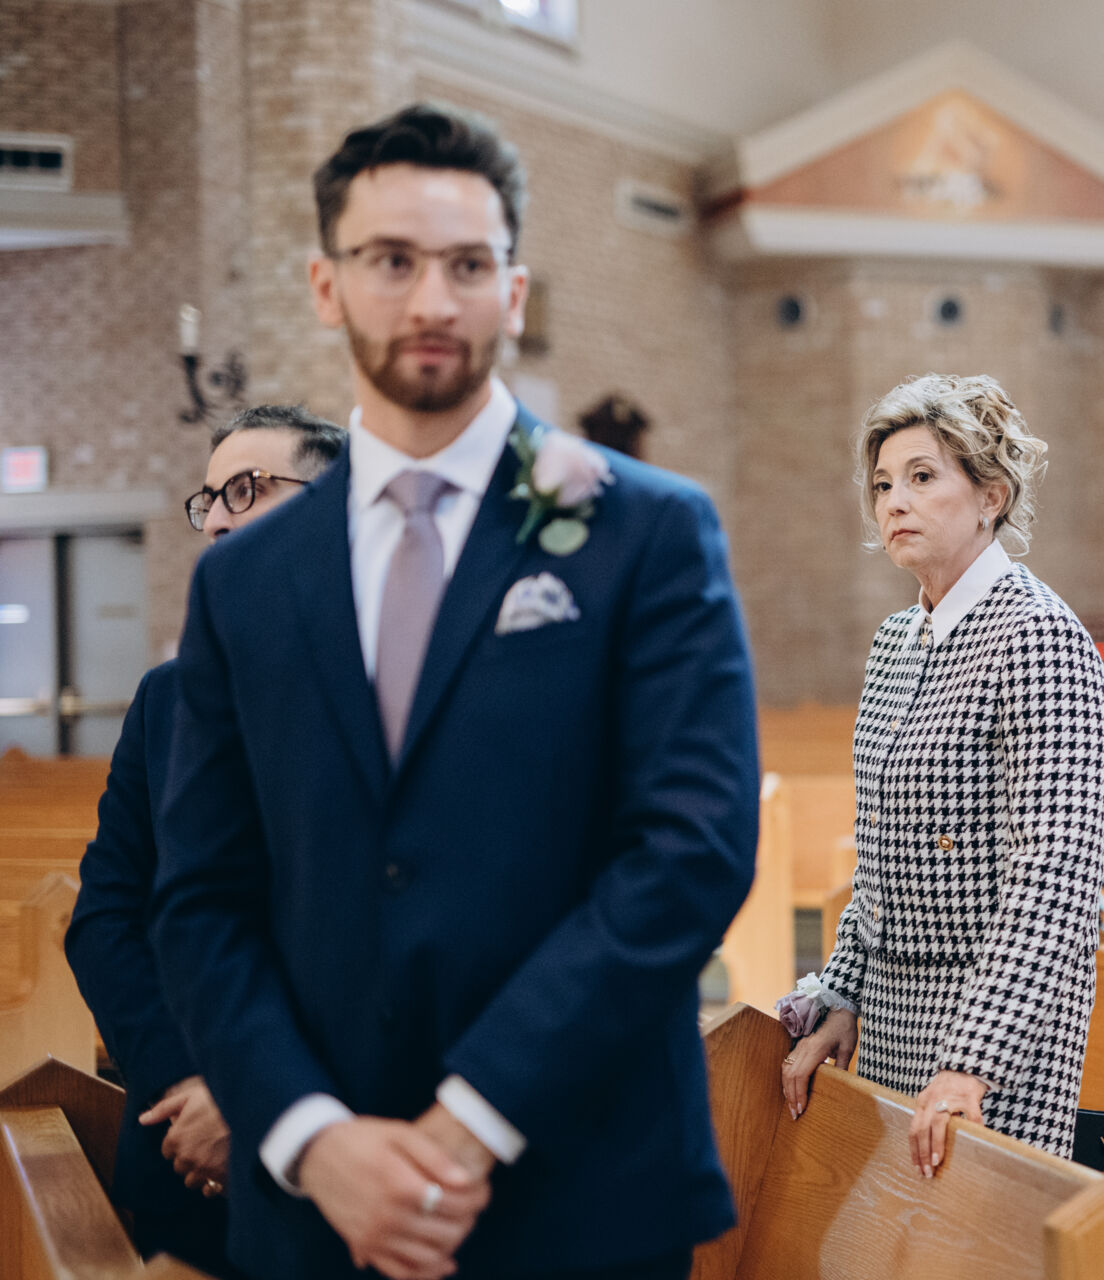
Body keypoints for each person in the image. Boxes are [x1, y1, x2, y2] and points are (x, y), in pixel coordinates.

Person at [149, 102, 758, 1280]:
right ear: (326, 285)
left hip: (579, 1192)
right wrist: (311, 1136)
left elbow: (691, 849)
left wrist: (471, 1117)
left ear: (513, 293)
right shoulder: (245, 580)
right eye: (391, 260)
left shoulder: (647, 531)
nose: (432, 299)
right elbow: (202, 895)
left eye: (468, 265)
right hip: (316, 1218)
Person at [776, 373, 1104, 1175]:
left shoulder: (1038, 636)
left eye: (923, 477)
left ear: (991, 496)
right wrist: (842, 993)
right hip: (893, 1016)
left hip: (998, 1031)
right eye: (883, 484)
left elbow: (1054, 876)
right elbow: (878, 854)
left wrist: (974, 1061)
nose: (895, 502)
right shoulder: (895, 642)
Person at [66, 403, 346, 1278]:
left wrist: (264, 1099)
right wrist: (192, 1084)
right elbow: (106, 919)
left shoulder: (397, 696)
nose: (218, 518)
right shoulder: (167, 699)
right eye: (210, 498)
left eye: (248, 489)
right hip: (184, 1154)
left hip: (350, 1159)